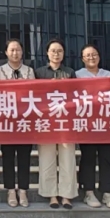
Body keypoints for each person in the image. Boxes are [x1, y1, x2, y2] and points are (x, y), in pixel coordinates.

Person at [34, 38, 77, 209]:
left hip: (66, 121)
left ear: (63, 54)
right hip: (46, 122)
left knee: (68, 159)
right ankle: (51, 194)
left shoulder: (70, 72)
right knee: (47, 159)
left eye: (59, 51)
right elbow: (34, 96)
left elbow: (76, 96)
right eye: (53, 51)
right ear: (47, 53)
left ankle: (66, 195)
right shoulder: (39, 72)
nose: (56, 54)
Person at [76, 44, 110, 209]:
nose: (91, 58)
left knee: (107, 158)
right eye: (87, 55)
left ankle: (107, 192)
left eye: (94, 54)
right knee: (88, 158)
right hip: (86, 124)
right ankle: (88, 192)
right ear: (82, 59)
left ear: (99, 56)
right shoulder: (77, 75)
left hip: (106, 124)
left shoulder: (108, 75)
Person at [0, 39, 35, 208]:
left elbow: (34, 94)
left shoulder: (29, 71)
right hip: (7, 121)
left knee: (25, 157)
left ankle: (23, 190)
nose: (15, 53)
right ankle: (11, 190)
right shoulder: (0, 71)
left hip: (25, 121)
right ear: (6, 52)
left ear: (22, 52)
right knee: (8, 157)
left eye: (18, 50)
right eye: (11, 50)